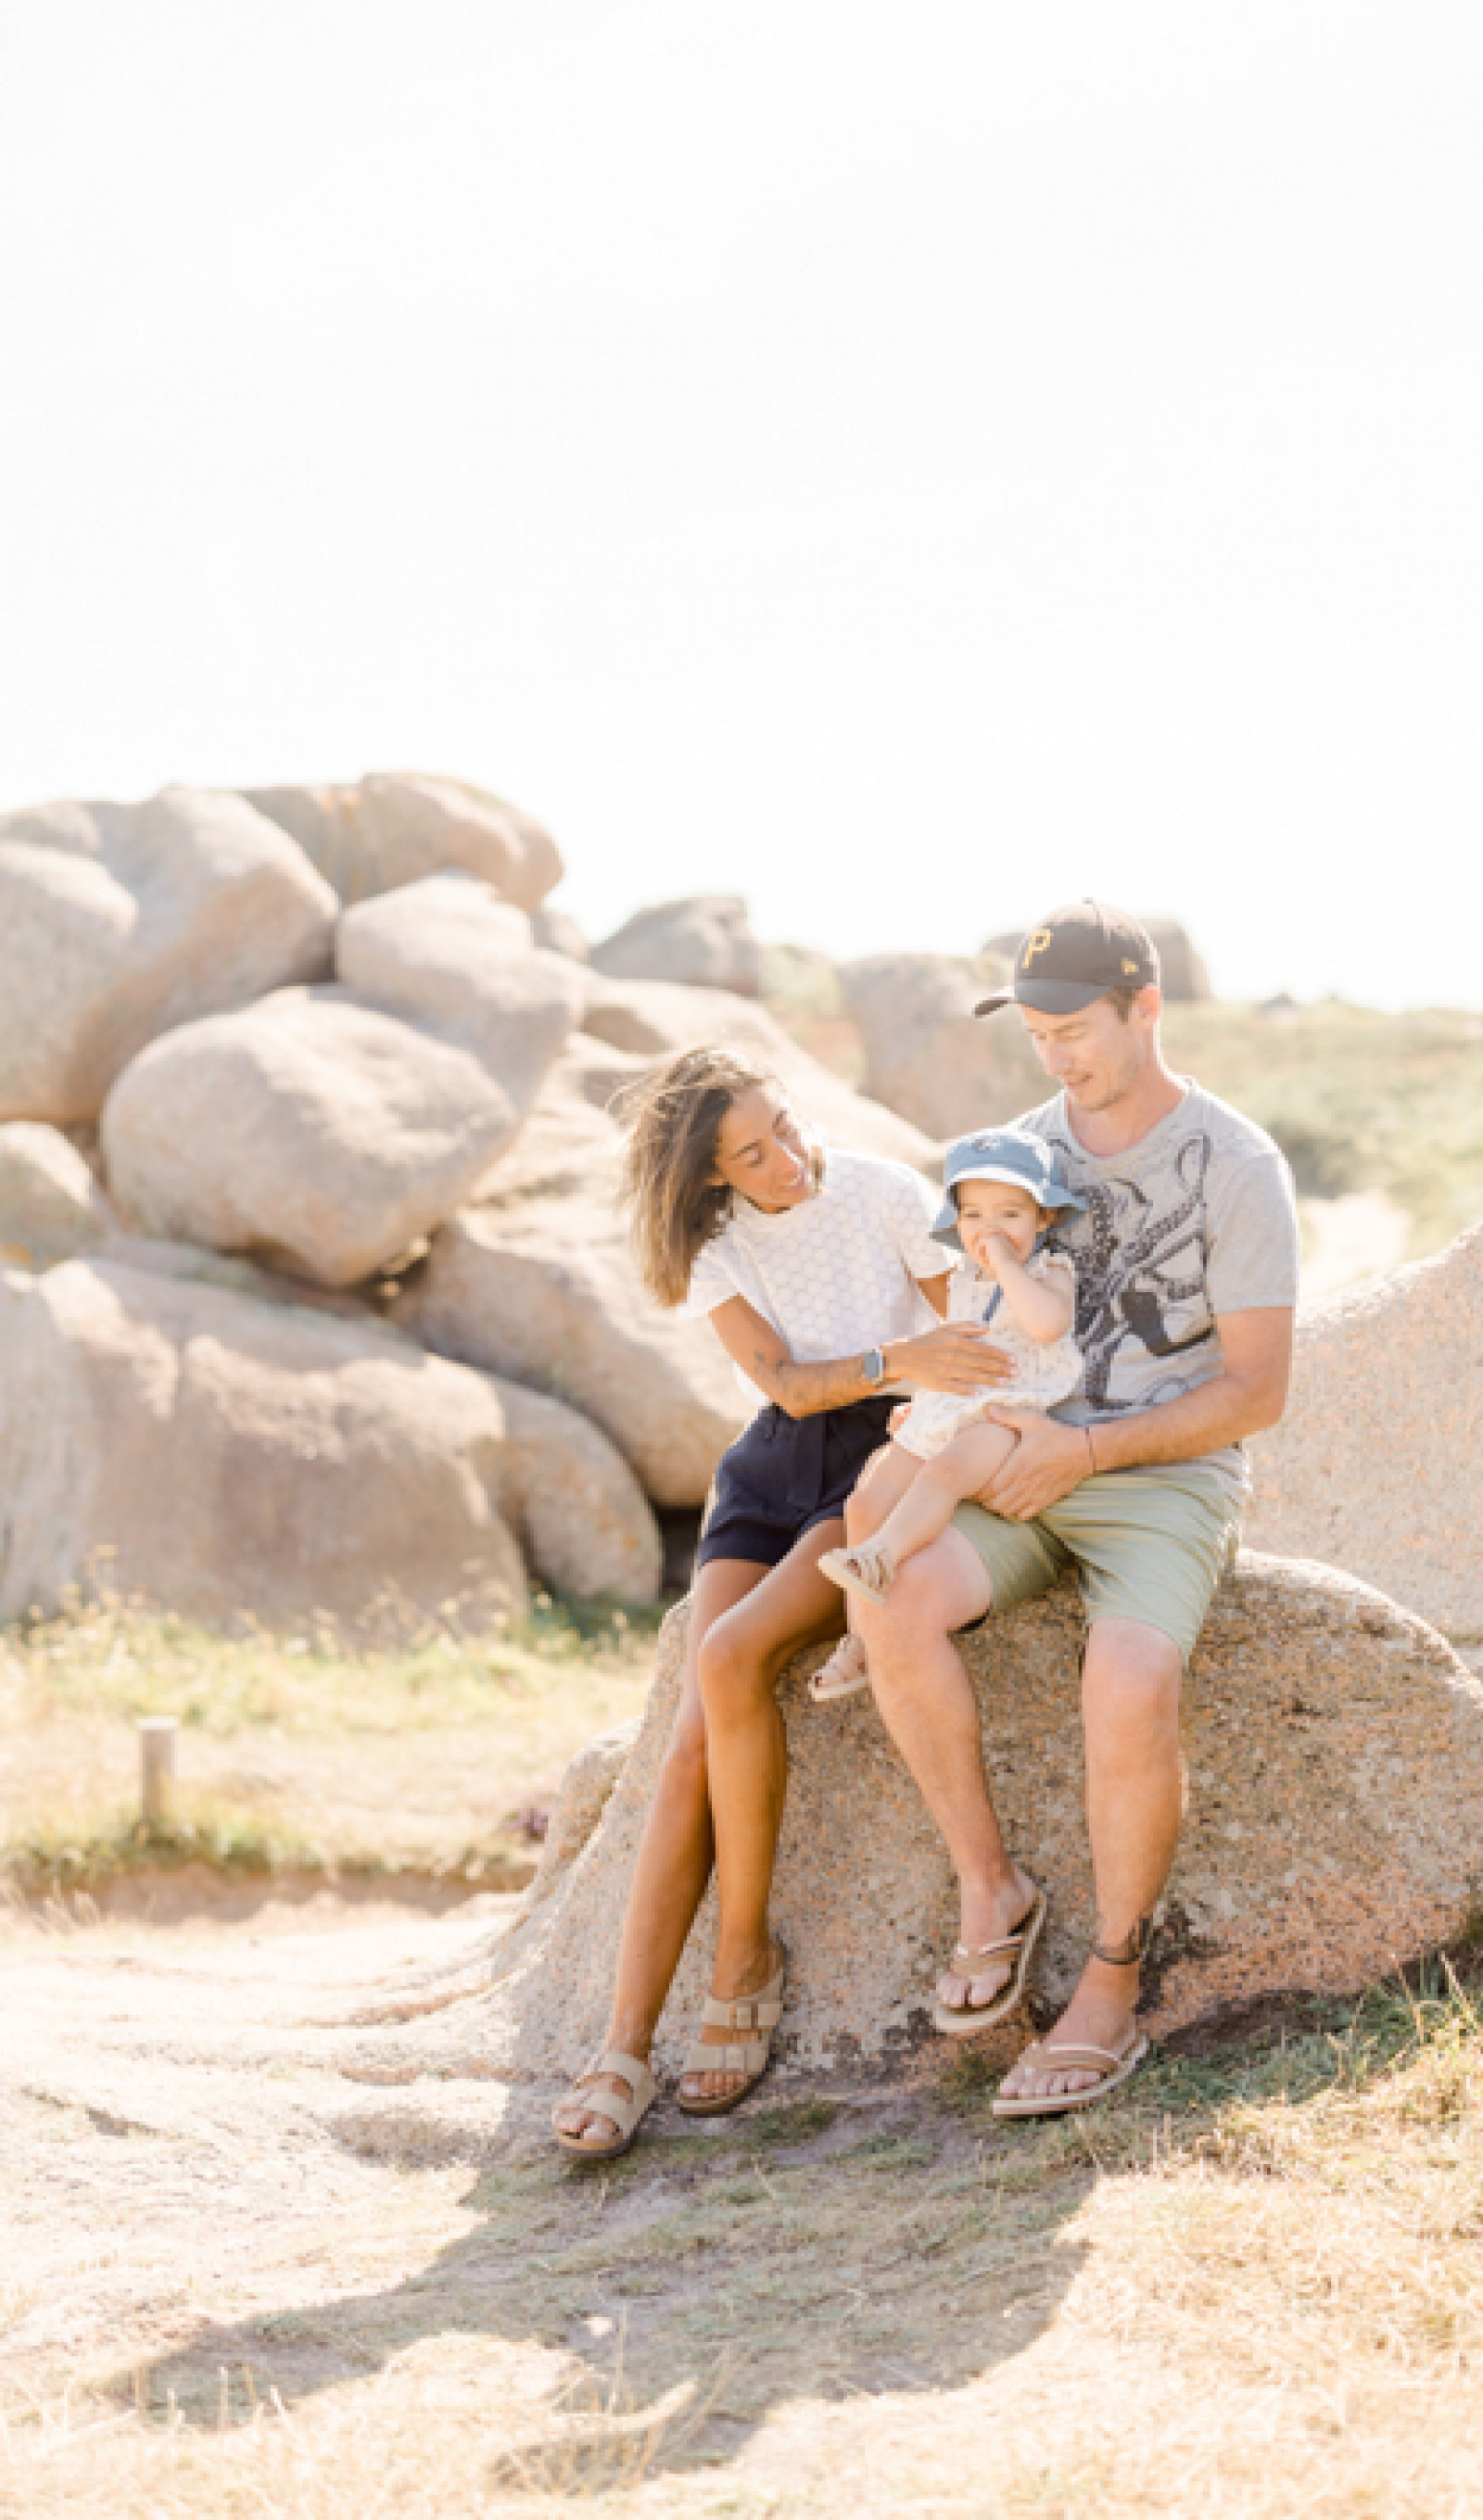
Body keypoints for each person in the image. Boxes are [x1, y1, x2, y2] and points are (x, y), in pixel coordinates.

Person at [847, 902, 1299, 2115]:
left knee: (1131, 1684)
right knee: (892, 1599)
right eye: (1036, 1033)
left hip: (1158, 1470)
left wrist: (1089, 1451)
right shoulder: (1016, 1155)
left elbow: (1257, 1392)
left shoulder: (1237, 1165)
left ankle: (1110, 1982)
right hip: (1010, 1457)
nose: (1055, 1056)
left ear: (1145, 1008)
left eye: (1075, 1029)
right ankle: (990, 1891)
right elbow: (972, 1311)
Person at [551, 1046, 1011, 2160]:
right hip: (766, 1473)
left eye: (788, 1127)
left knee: (729, 1653)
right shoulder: (716, 1249)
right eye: (752, 1154)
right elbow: (791, 1387)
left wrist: (909, 1386)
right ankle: (623, 2041)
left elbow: (969, 1351)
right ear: (712, 1176)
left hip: (874, 1462)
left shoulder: (885, 1193)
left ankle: (741, 1960)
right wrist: (896, 1351)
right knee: (686, 1749)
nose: (789, 1158)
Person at [812, 1130, 1084, 1685]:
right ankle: (859, 1639)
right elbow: (956, 1354)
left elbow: (1047, 1324)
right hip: (950, 1409)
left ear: (1043, 1219)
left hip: (1008, 1416)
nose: (992, 1229)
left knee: (947, 1471)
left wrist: (1008, 1266)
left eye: (1011, 1213)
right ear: (958, 1225)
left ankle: (883, 1556)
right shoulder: (962, 1280)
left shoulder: (1048, 1272)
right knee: (864, 1502)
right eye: (976, 1215)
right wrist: (923, 1403)